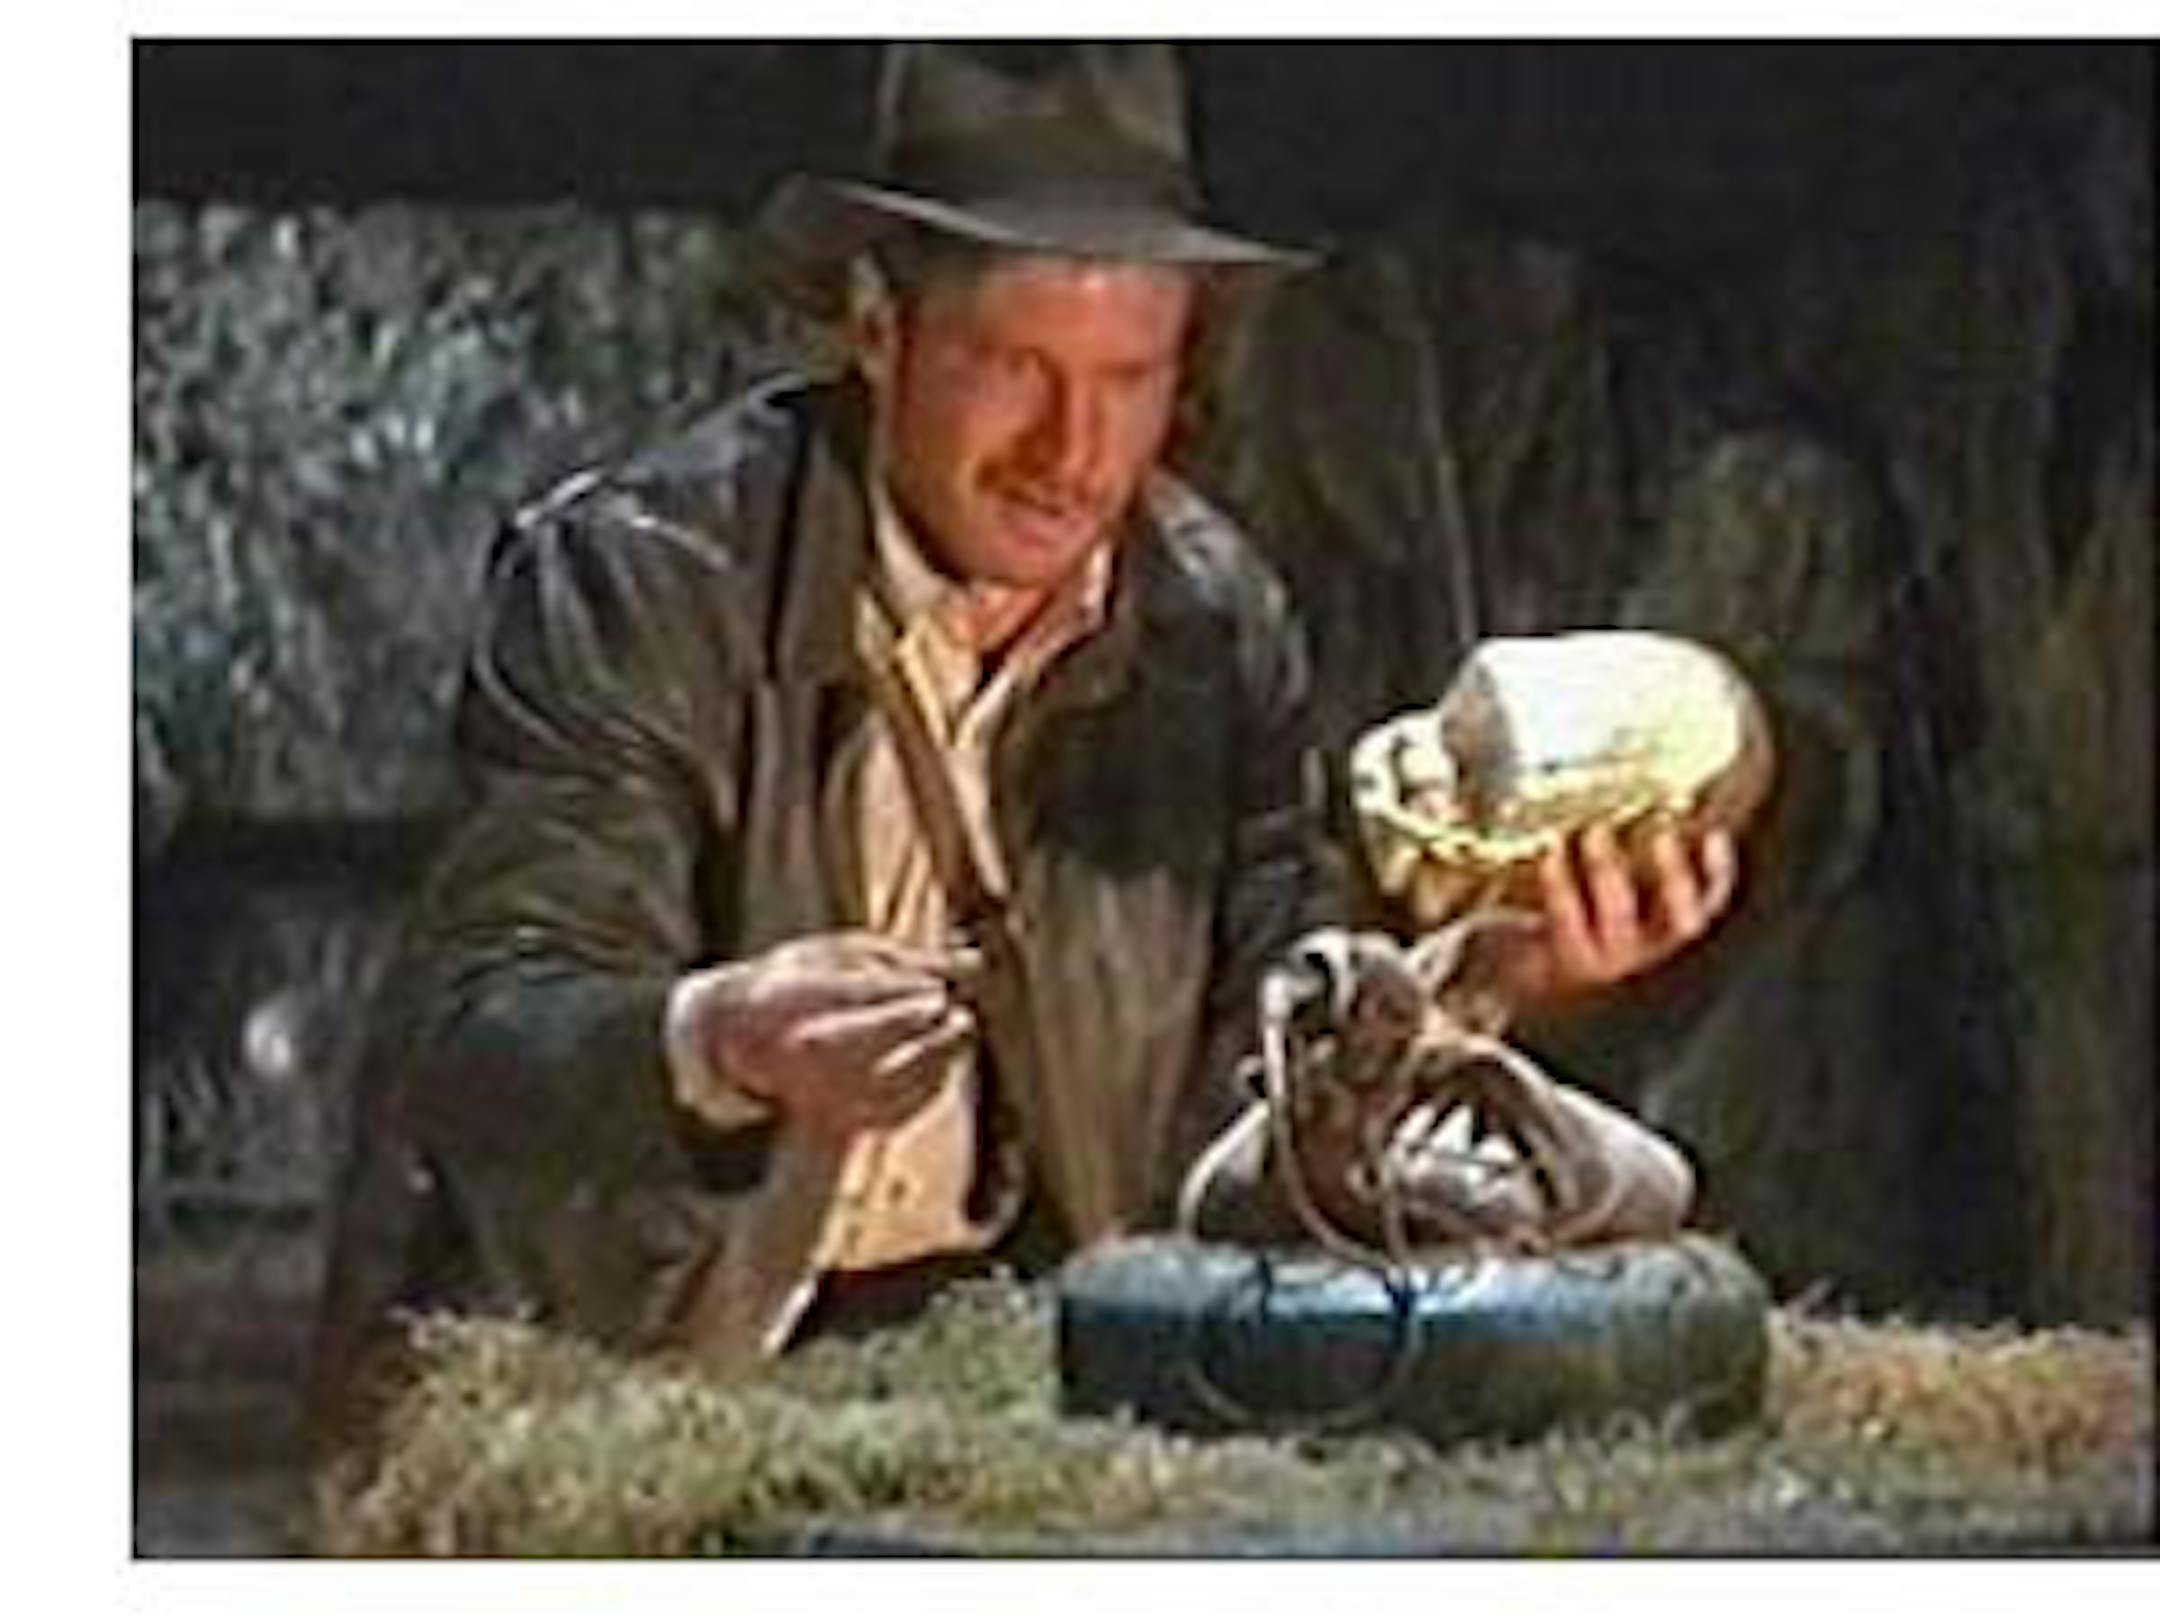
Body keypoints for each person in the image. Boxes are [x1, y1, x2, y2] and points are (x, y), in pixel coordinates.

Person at [310, 42, 1737, 1449]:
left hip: (1029, 1377)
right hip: (654, 1375)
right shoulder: (645, 579)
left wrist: (1484, 982)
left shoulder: (1209, 622)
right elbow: (483, 1028)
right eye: (1014, 366)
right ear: (880, 328)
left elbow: (1263, 1068)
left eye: (1130, 376)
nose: (1074, 449)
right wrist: (721, 1039)